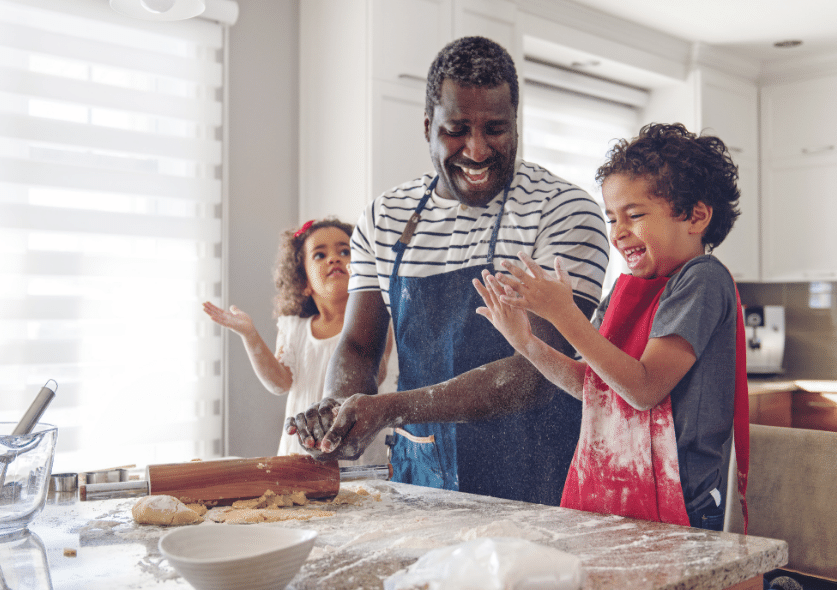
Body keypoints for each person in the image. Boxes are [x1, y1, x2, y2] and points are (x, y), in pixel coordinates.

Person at [285, 36, 610, 506]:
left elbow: (538, 370)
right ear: (427, 127)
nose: (477, 150)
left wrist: (391, 408)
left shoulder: (562, 210)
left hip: (539, 481)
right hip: (421, 483)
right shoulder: (385, 217)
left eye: (496, 129)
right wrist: (339, 410)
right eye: (457, 129)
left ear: (516, 125)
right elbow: (358, 345)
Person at [473, 122, 750, 531]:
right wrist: (527, 343)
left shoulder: (702, 280)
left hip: (681, 512)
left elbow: (643, 388)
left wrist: (564, 315)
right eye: (611, 219)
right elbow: (594, 389)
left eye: (634, 216)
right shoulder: (624, 292)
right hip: (619, 497)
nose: (618, 234)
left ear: (696, 216)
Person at [203, 217, 396, 464]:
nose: (334, 258)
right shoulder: (293, 327)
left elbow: (373, 378)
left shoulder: (378, 319)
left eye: (345, 251)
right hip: (301, 452)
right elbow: (280, 383)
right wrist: (249, 335)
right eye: (319, 255)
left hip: (356, 455)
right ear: (303, 283)